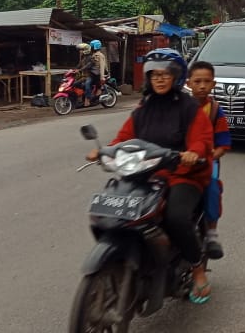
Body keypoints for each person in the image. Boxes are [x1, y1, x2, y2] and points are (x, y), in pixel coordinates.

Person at [86, 49, 216, 304]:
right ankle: (128, 257)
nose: (159, 79)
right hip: (143, 174)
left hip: (182, 175)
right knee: (112, 211)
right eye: (154, 74)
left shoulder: (189, 108)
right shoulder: (144, 107)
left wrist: (192, 153)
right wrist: (104, 151)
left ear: (176, 77)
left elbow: (202, 139)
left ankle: (197, 267)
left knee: (176, 217)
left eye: (165, 74)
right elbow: (124, 137)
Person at [185, 61, 231, 260]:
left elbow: (223, 144)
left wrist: (209, 156)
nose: (202, 86)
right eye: (197, 81)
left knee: (212, 186)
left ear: (213, 84)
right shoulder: (181, 107)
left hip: (207, 161)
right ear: (188, 83)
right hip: (181, 159)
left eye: (206, 81)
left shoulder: (214, 110)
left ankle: (211, 232)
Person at [85, 40, 107, 106]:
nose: (90, 47)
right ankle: (88, 98)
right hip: (92, 74)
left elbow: (102, 66)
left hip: (98, 74)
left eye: (91, 46)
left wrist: (102, 77)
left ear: (95, 47)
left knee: (95, 86)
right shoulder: (93, 55)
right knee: (86, 84)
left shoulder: (100, 55)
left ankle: (91, 99)